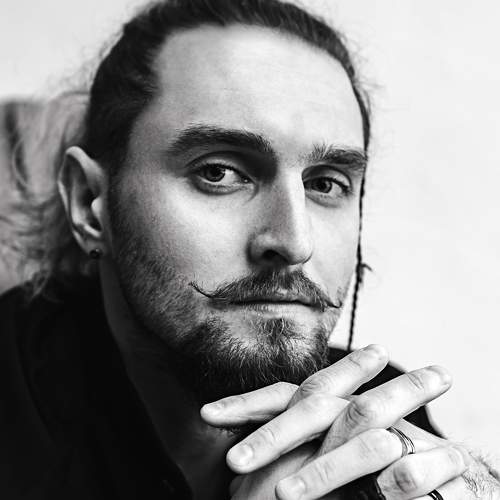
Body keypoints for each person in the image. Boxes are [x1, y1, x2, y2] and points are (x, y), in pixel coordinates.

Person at [0, 0, 498, 498]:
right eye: (218, 173)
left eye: (325, 184)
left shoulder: (375, 418)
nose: (295, 243)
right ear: (89, 203)